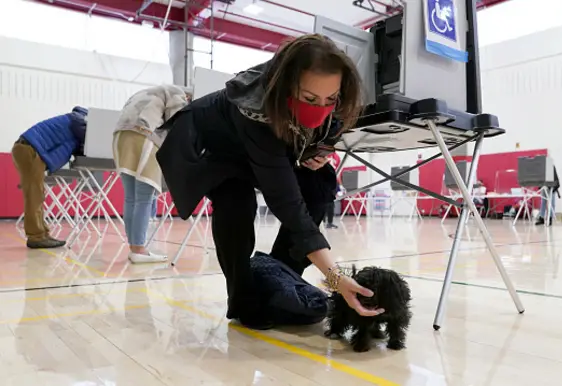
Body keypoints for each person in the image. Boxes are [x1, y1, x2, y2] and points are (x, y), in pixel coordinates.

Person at [157, 34, 384, 330]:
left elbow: (329, 130)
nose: (321, 107)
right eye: (310, 99)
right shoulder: (255, 108)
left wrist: (319, 150)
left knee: (320, 183)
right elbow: (285, 200)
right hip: (217, 147)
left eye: (331, 99)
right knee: (236, 202)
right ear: (287, 86)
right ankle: (242, 298)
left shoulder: (332, 103)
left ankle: (279, 275)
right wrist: (336, 277)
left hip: (268, 146)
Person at [113, 85, 191, 263]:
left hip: (120, 136)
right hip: (144, 135)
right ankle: (139, 249)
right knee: (143, 197)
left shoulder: (147, 92)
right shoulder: (177, 93)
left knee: (131, 198)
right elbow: (178, 122)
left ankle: (134, 248)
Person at [12, 107, 88, 249]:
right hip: (31, 150)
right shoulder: (79, 121)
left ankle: (43, 234)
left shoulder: (74, 121)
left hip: (29, 149)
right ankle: (36, 236)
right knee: (34, 195)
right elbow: (87, 143)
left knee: (38, 195)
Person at [324, 152, 342, 229]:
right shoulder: (323, 153)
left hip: (333, 181)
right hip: (323, 179)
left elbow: (338, 171)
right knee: (322, 201)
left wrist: (340, 184)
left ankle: (330, 222)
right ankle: (322, 220)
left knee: (331, 203)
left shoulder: (336, 157)